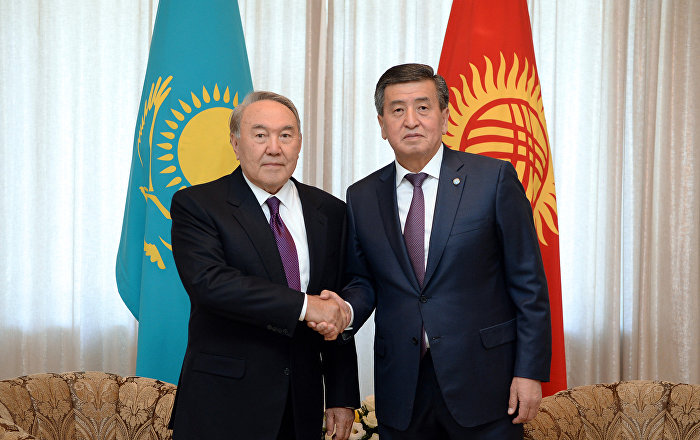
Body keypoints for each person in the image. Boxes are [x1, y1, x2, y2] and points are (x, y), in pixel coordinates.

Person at [314, 63, 552, 439]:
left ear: (444, 116)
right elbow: (363, 280)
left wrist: (529, 371)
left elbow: (528, 283)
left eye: (423, 107)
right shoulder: (362, 196)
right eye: (397, 110)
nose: (411, 120)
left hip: (485, 383)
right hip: (401, 388)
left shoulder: (493, 180)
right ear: (382, 124)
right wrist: (344, 310)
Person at [168, 91, 360, 440]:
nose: (274, 148)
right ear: (235, 143)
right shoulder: (198, 205)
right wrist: (306, 306)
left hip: (301, 406)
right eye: (260, 135)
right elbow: (211, 284)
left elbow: (336, 301)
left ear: (299, 143)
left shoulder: (331, 212)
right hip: (222, 404)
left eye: (285, 135)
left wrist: (341, 394)